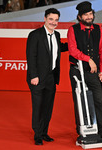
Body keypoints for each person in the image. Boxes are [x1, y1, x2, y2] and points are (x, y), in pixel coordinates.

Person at [67, 1, 102, 144]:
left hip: (94, 72)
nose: (89, 17)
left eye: (90, 14)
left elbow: (101, 51)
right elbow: (73, 50)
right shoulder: (72, 29)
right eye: (86, 15)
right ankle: (82, 132)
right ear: (80, 16)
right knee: (80, 101)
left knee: (98, 101)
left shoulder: (98, 29)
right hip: (77, 71)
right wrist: (88, 59)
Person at [26, 8, 68, 145]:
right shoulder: (35, 35)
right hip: (37, 78)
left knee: (48, 107)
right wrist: (33, 75)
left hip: (51, 77)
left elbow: (59, 48)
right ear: (45, 18)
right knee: (38, 106)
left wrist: (75, 45)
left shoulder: (56, 35)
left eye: (56, 20)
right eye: (51, 19)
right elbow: (31, 57)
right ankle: (37, 135)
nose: (53, 22)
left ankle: (44, 132)